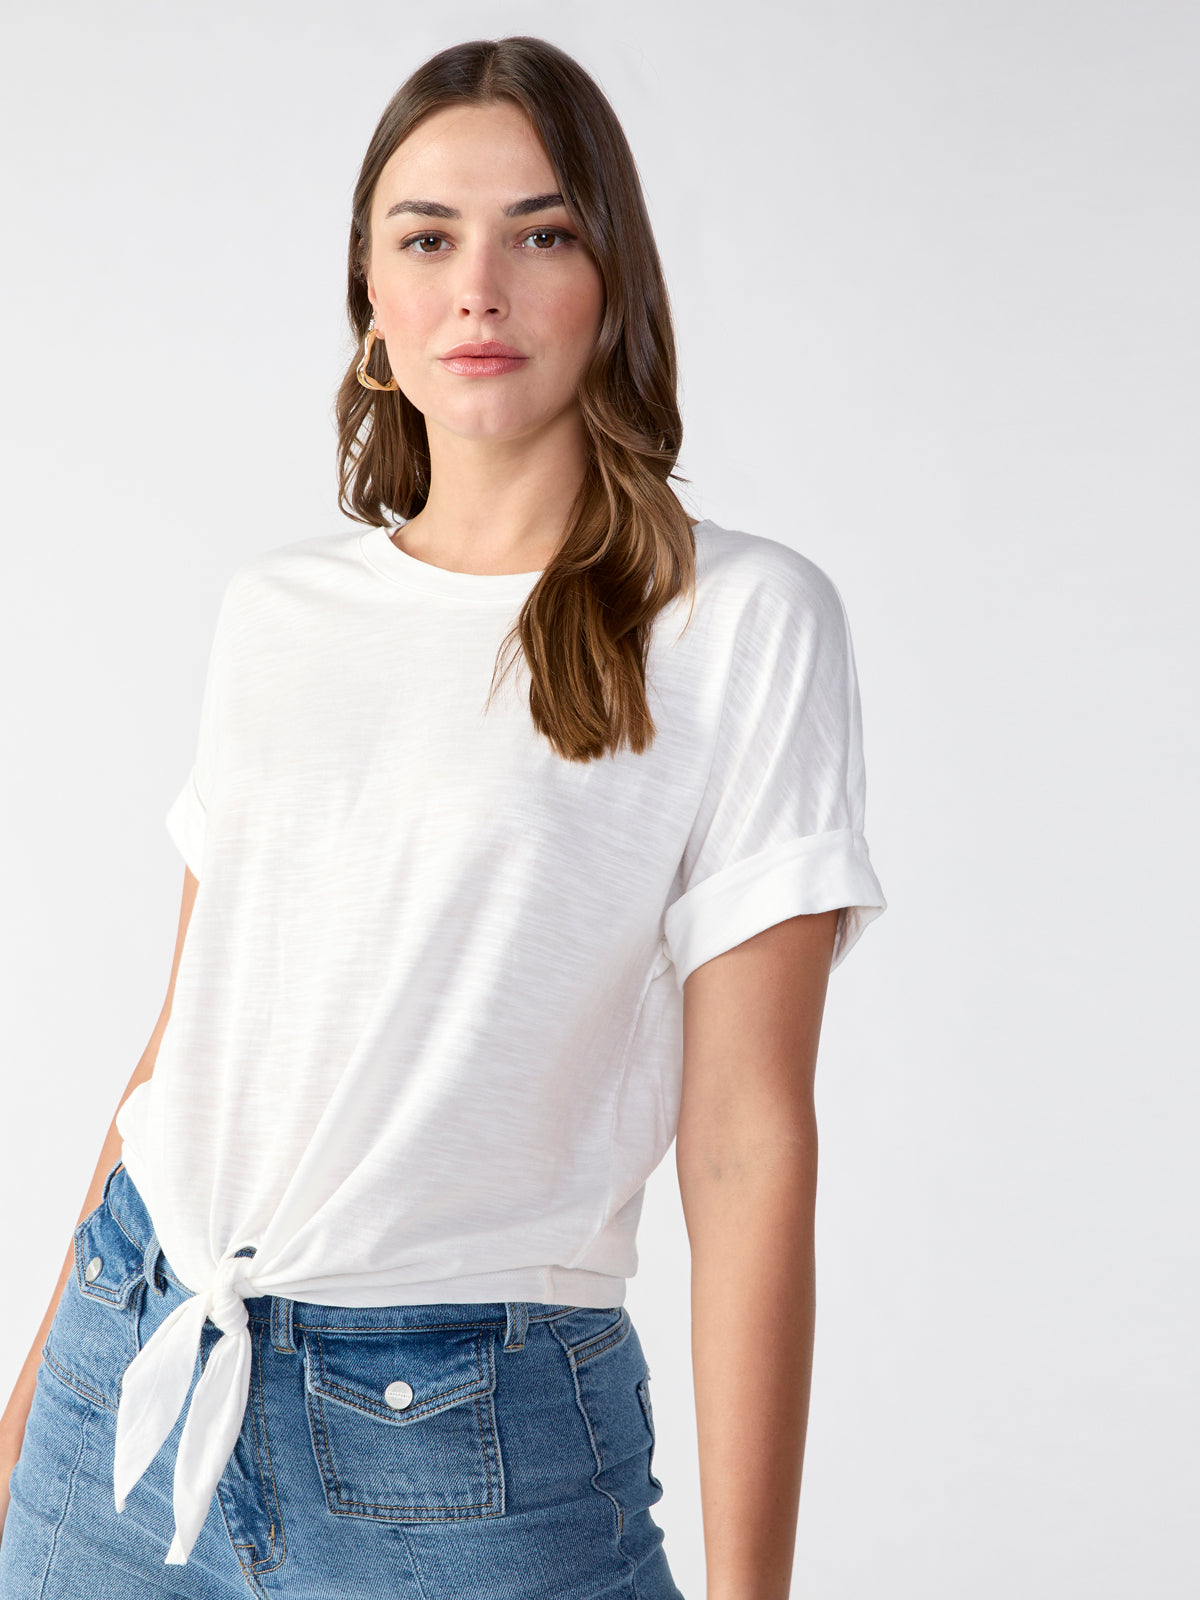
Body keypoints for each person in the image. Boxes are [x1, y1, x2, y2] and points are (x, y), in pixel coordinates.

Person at [0, 33, 887, 1599]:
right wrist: (24, 1421)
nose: (477, 286)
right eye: (426, 238)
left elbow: (748, 1140)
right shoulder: (274, 613)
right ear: (372, 307)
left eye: (541, 233)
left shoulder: (738, 621)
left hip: (465, 1442)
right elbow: (182, 1046)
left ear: (613, 283)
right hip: (133, 1361)